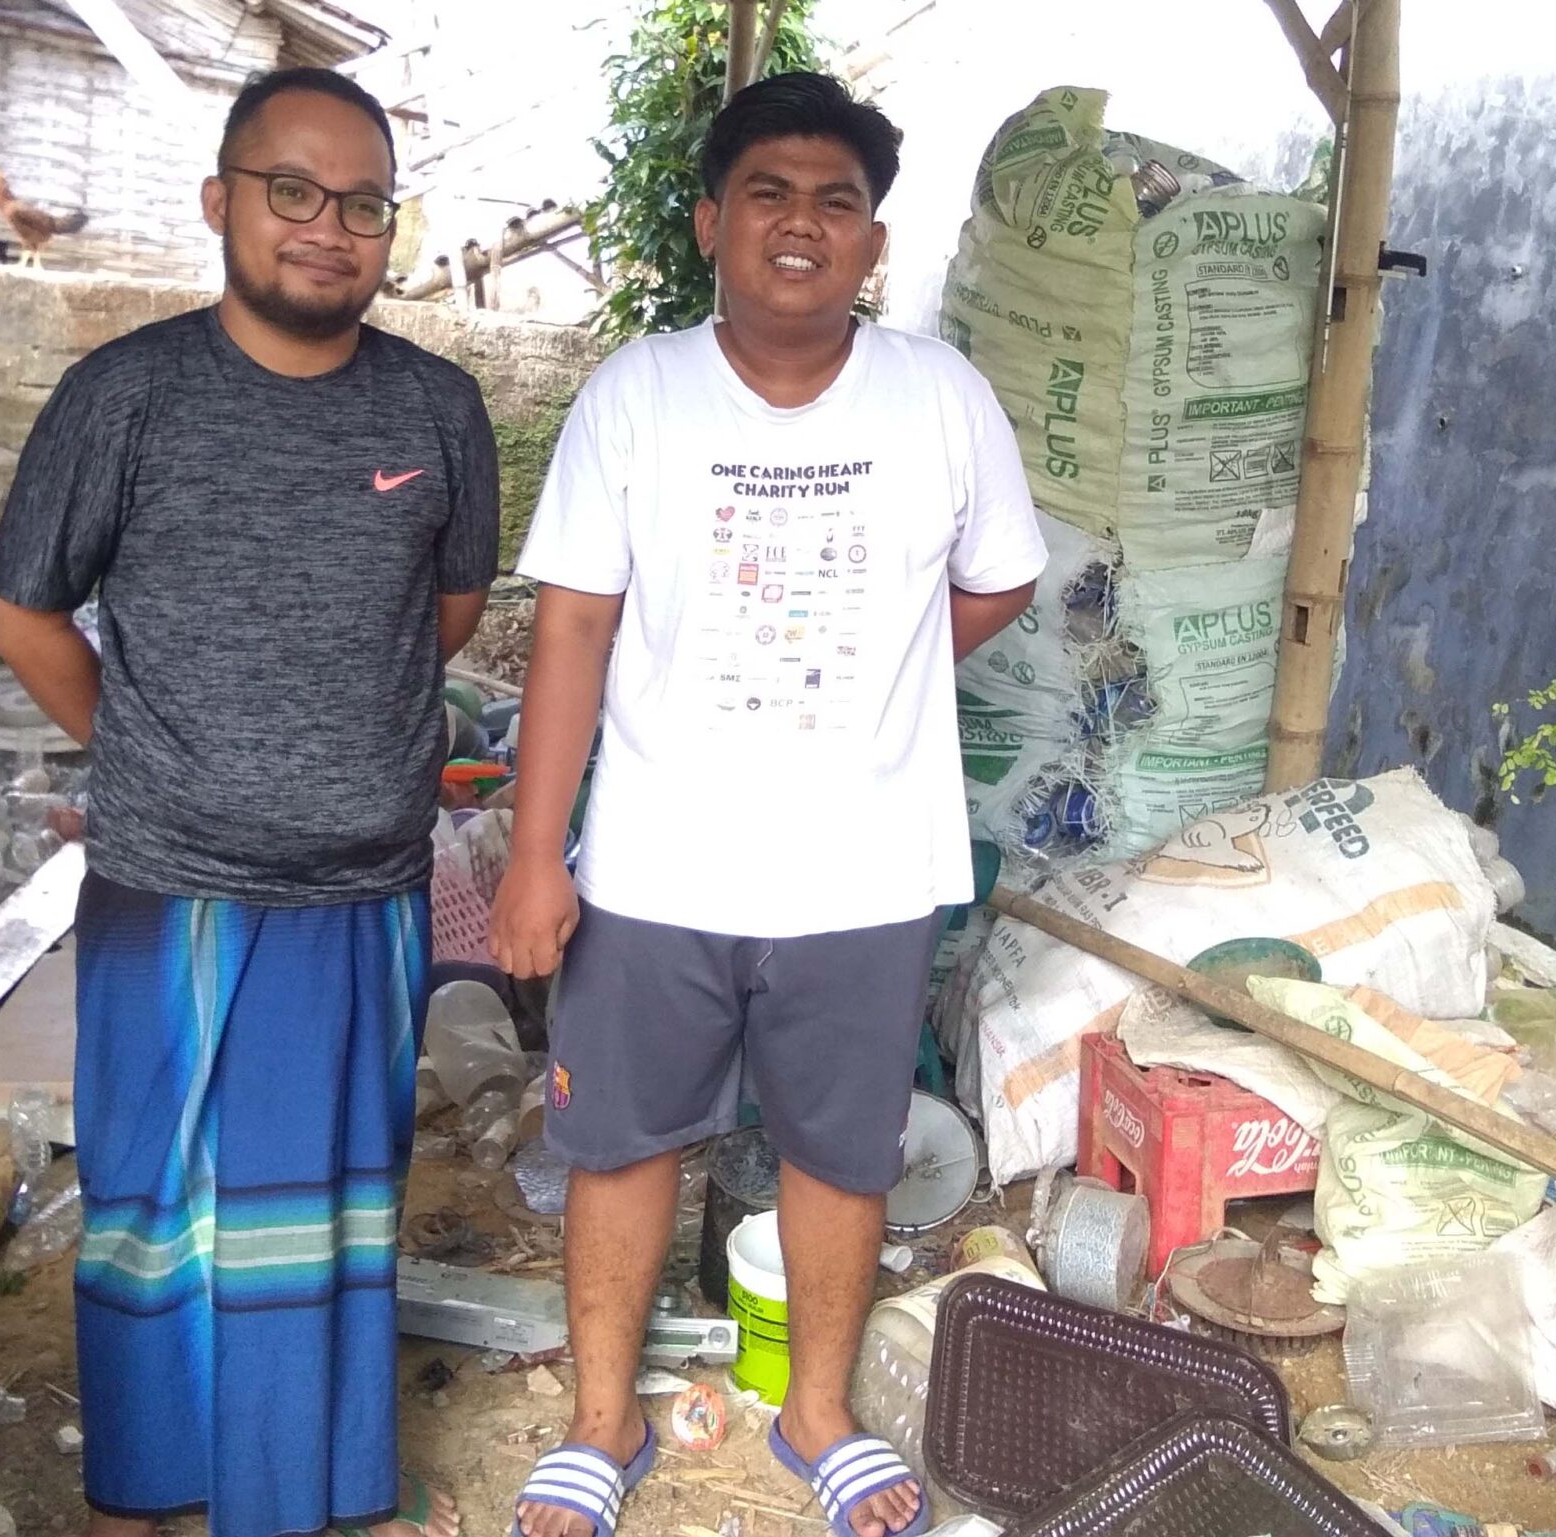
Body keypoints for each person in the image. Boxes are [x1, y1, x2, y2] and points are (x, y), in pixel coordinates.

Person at [494, 71, 1046, 1537]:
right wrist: (536, 855)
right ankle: (601, 1427)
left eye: (837, 202)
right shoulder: (638, 397)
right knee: (619, 1143)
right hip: (657, 865)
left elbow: (999, 579)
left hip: (863, 869)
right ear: (710, 223)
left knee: (840, 1148)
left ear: (871, 244)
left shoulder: (941, 399)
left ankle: (818, 1417)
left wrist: (890, 669)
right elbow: (570, 630)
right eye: (770, 193)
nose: (803, 223)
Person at [0, 65, 495, 1537]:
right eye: (293, 192)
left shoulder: (438, 408)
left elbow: (444, 612)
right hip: (172, 886)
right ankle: (153, 1487)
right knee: (154, 1211)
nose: (327, 228)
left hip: (361, 893)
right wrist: (153, 749)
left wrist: (337, 740)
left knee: (327, 1212)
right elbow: (24, 614)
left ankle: (305, 1489)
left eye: (362, 204)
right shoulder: (122, 397)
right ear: (222, 202)